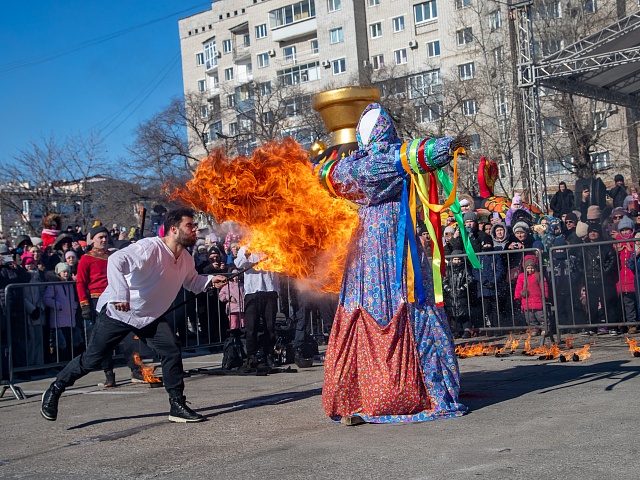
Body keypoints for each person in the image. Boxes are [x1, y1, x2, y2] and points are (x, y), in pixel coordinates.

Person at [320, 103, 467, 423]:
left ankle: (358, 394)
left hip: (364, 249)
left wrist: (319, 166)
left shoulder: (349, 169)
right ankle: (415, 390)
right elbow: (423, 153)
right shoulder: (391, 160)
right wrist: (451, 144)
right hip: (394, 246)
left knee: (365, 303)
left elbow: (327, 175)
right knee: (410, 300)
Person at [40, 208, 227, 423]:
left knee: (171, 349)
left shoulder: (185, 258)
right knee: (92, 359)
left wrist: (210, 281)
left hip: (150, 317)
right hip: (119, 313)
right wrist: (120, 294)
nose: (194, 230)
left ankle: (177, 405)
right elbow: (116, 261)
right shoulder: (149, 247)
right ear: (173, 229)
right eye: (189, 226)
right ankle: (56, 388)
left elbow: (193, 282)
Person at [234, 246, 280, 370]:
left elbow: (282, 263)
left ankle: (268, 354)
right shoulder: (246, 247)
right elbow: (238, 263)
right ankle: (251, 356)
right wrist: (247, 254)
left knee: (269, 326)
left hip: (270, 290)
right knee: (251, 326)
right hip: (252, 291)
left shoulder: (273, 244)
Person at [514, 255, 548, 336]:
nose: (530, 270)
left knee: (540, 316)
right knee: (530, 317)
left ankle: (545, 327)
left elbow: (544, 286)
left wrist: (545, 295)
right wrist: (518, 295)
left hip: (538, 299)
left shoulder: (538, 275)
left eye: (532, 268)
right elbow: (518, 287)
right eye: (528, 268)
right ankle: (534, 328)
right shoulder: (522, 276)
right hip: (526, 301)